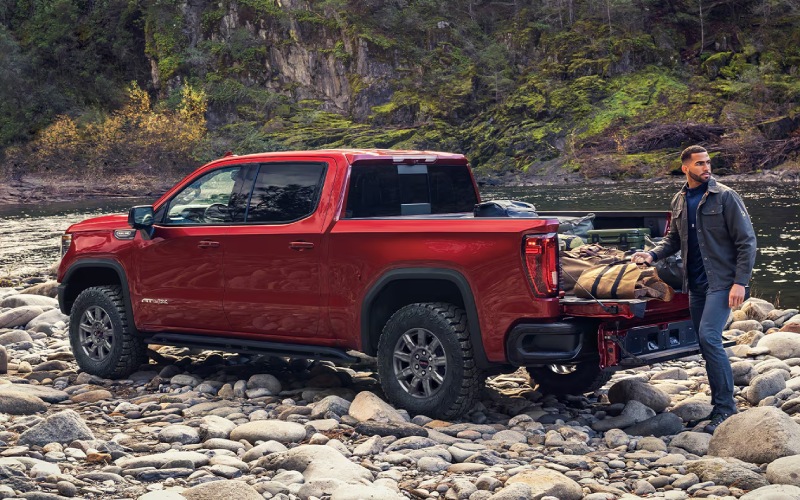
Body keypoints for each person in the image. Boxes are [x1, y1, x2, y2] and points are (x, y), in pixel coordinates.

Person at [631, 145, 757, 433]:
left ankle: (726, 409)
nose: (706, 168)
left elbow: (746, 241)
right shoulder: (680, 199)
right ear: (685, 167)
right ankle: (718, 405)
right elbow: (673, 239)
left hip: (722, 283)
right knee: (704, 343)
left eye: (708, 163)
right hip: (696, 284)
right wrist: (652, 256)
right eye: (700, 163)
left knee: (709, 337)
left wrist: (740, 282)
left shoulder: (725, 196)